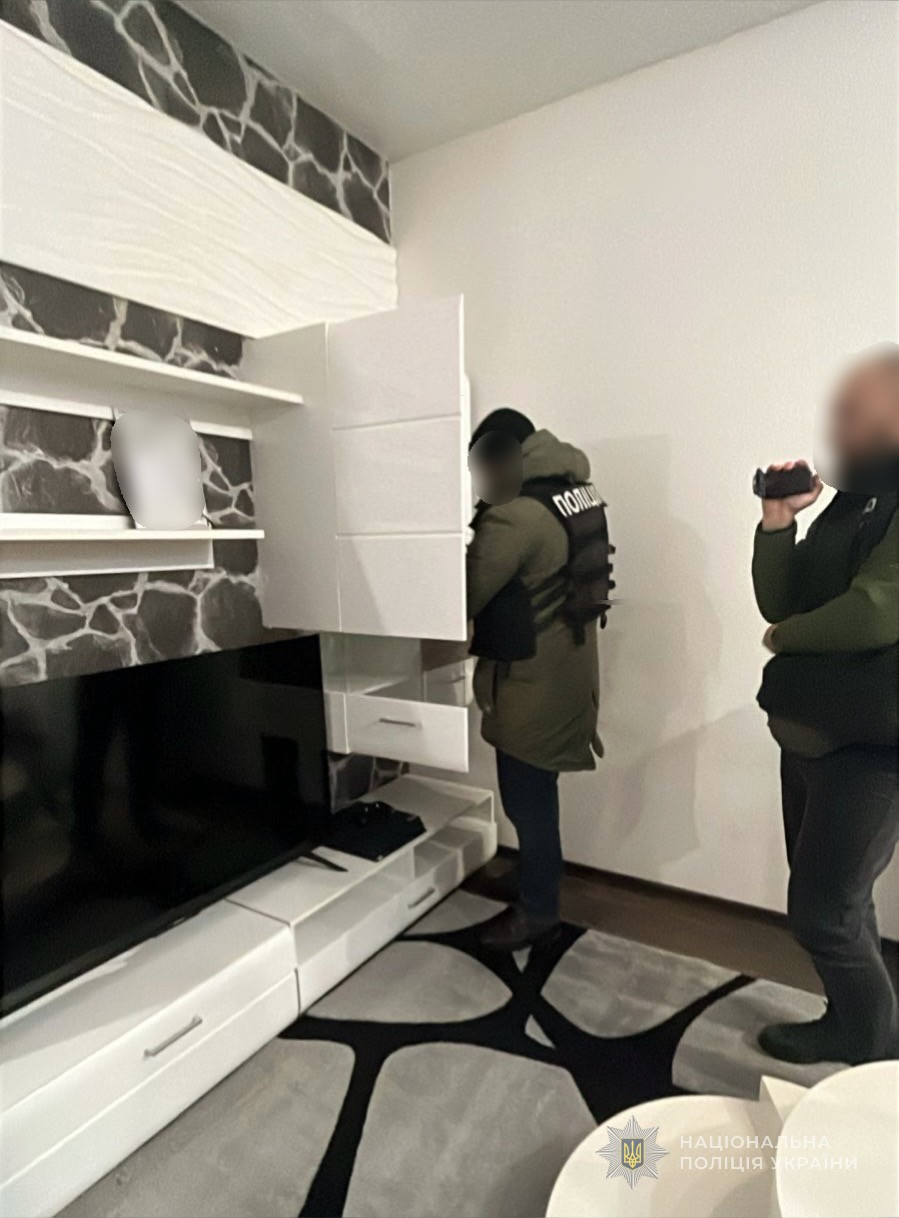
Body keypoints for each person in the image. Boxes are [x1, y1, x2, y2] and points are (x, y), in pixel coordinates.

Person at [752, 345, 899, 1065]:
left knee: (822, 915)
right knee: (841, 905)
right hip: (808, 735)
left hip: (870, 748)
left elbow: (876, 610)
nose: (836, 426)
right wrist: (777, 521)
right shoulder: (850, 499)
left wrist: (783, 639)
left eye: (853, 411)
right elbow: (781, 597)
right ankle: (852, 1023)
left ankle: (873, 1057)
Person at [466, 408, 605, 951]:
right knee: (538, 795)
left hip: (530, 684)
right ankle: (536, 874)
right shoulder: (576, 491)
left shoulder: (516, 516)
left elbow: (465, 594)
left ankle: (539, 910)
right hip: (570, 672)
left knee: (528, 802)